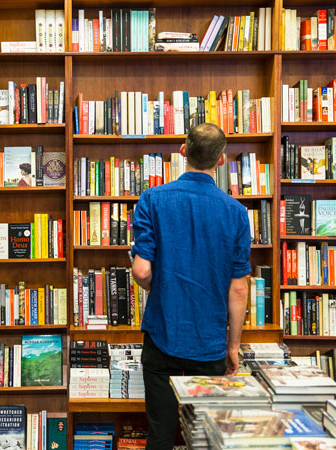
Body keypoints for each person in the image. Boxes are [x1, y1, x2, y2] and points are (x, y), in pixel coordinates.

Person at [131, 123, 251, 449]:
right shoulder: (237, 213)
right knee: (206, 437)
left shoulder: (152, 199)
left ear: (183, 151)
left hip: (162, 336)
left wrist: (163, 286)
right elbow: (238, 289)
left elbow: (141, 270)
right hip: (210, 343)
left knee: (159, 435)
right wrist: (233, 346)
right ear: (221, 160)